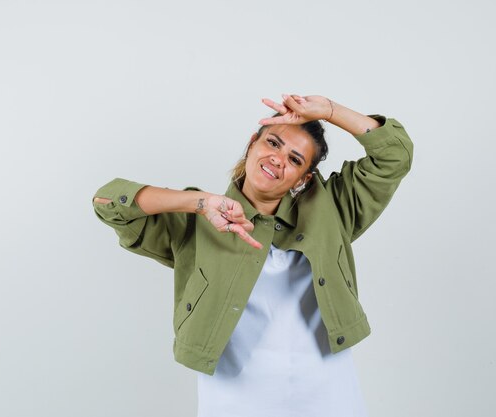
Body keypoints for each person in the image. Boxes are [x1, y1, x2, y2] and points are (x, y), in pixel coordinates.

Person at [92, 94, 414, 417]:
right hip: (235, 402)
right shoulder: (197, 221)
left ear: (303, 179)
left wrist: (329, 111)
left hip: (328, 396)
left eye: (295, 159)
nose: (278, 159)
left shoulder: (334, 208)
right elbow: (107, 203)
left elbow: (396, 155)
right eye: (273, 143)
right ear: (252, 144)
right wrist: (200, 203)